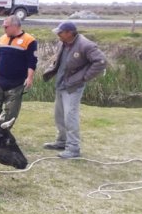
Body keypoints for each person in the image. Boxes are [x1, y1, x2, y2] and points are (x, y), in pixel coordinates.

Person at [42, 21, 107, 158]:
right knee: (59, 116)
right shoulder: (63, 43)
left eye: (60, 32)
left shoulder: (85, 45)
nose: (58, 35)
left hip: (73, 87)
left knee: (70, 117)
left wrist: (84, 77)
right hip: (61, 84)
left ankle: (73, 149)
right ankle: (62, 141)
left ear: (69, 33)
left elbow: (101, 61)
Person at [0, 15, 37, 126]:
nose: (4, 29)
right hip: (0, 81)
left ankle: (3, 137)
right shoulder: (3, 38)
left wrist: (29, 78)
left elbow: (32, 61)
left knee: (10, 113)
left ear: (15, 26)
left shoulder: (29, 40)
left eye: (6, 27)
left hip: (16, 84)